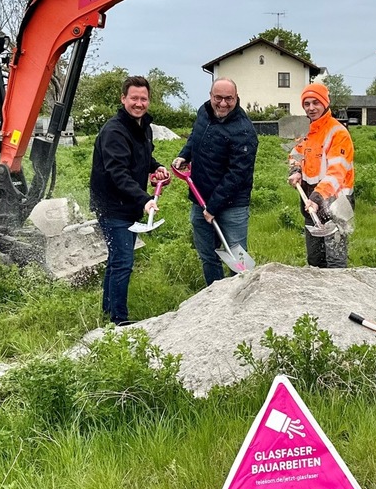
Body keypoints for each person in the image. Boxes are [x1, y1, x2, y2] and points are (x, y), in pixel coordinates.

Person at [89, 75, 170, 326]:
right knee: (123, 261)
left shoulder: (142, 126)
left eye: (143, 98)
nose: (139, 103)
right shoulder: (114, 130)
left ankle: (108, 310)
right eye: (134, 98)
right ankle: (119, 321)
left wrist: (157, 168)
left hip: (128, 204)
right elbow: (118, 172)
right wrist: (145, 199)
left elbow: (143, 157)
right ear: (123, 98)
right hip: (112, 205)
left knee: (117, 259)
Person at [173, 78, 258, 285]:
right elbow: (195, 137)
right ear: (210, 96)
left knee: (237, 260)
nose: (222, 103)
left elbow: (237, 175)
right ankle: (213, 296)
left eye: (228, 99)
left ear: (236, 98)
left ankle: (240, 298)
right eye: (218, 98)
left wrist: (212, 207)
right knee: (207, 255)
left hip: (232, 205)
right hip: (200, 198)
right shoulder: (204, 112)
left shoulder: (244, 132)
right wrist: (185, 155)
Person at [287, 82, 355, 268]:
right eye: (307, 103)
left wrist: (316, 198)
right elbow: (295, 154)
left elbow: (336, 173)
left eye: (315, 102)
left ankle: (337, 295)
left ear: (325, 103)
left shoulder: (338, 133)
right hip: (311, 203)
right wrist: (296, 171)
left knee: (335, 261)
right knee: (315, 260)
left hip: (336, 203)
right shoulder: (304, 131)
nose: (311, 108)